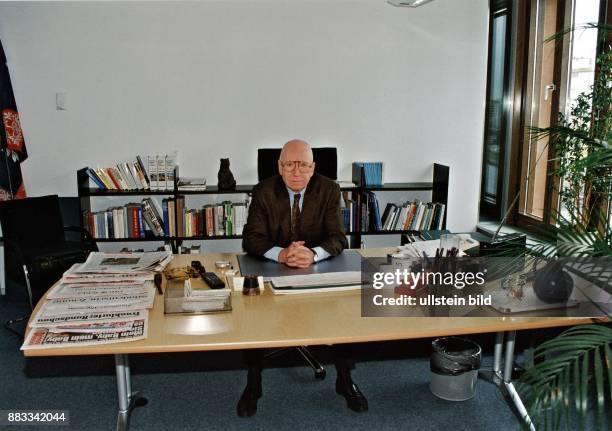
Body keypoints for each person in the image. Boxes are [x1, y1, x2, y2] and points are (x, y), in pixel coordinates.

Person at [237, 139, 368, 417]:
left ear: (313, 167)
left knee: (342, 317)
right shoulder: (263, 191)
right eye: (289, 165)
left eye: (303, 165)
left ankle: (345, 381)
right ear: (279, 166)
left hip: (318, 269)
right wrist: (281, 254)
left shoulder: (330, 190)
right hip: (270, 268)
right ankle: (253, 384)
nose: (296, 172)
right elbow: (252, 238)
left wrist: (313, 254)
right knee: (253, 317)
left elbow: (337, 238)